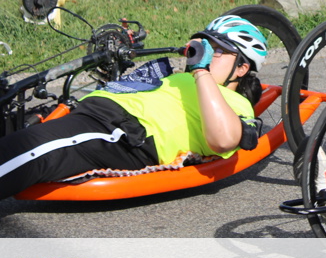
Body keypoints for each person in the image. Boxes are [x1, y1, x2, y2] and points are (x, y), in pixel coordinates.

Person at [0, 16, 268, 200]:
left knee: (29, 151)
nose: (207, 54)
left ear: (242, 68)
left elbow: (224, 139)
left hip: (122, 133)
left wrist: (201, 70)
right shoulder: (183, 78)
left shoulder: (235, 103)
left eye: (218, 51)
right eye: (205, 46)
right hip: (93, 111)